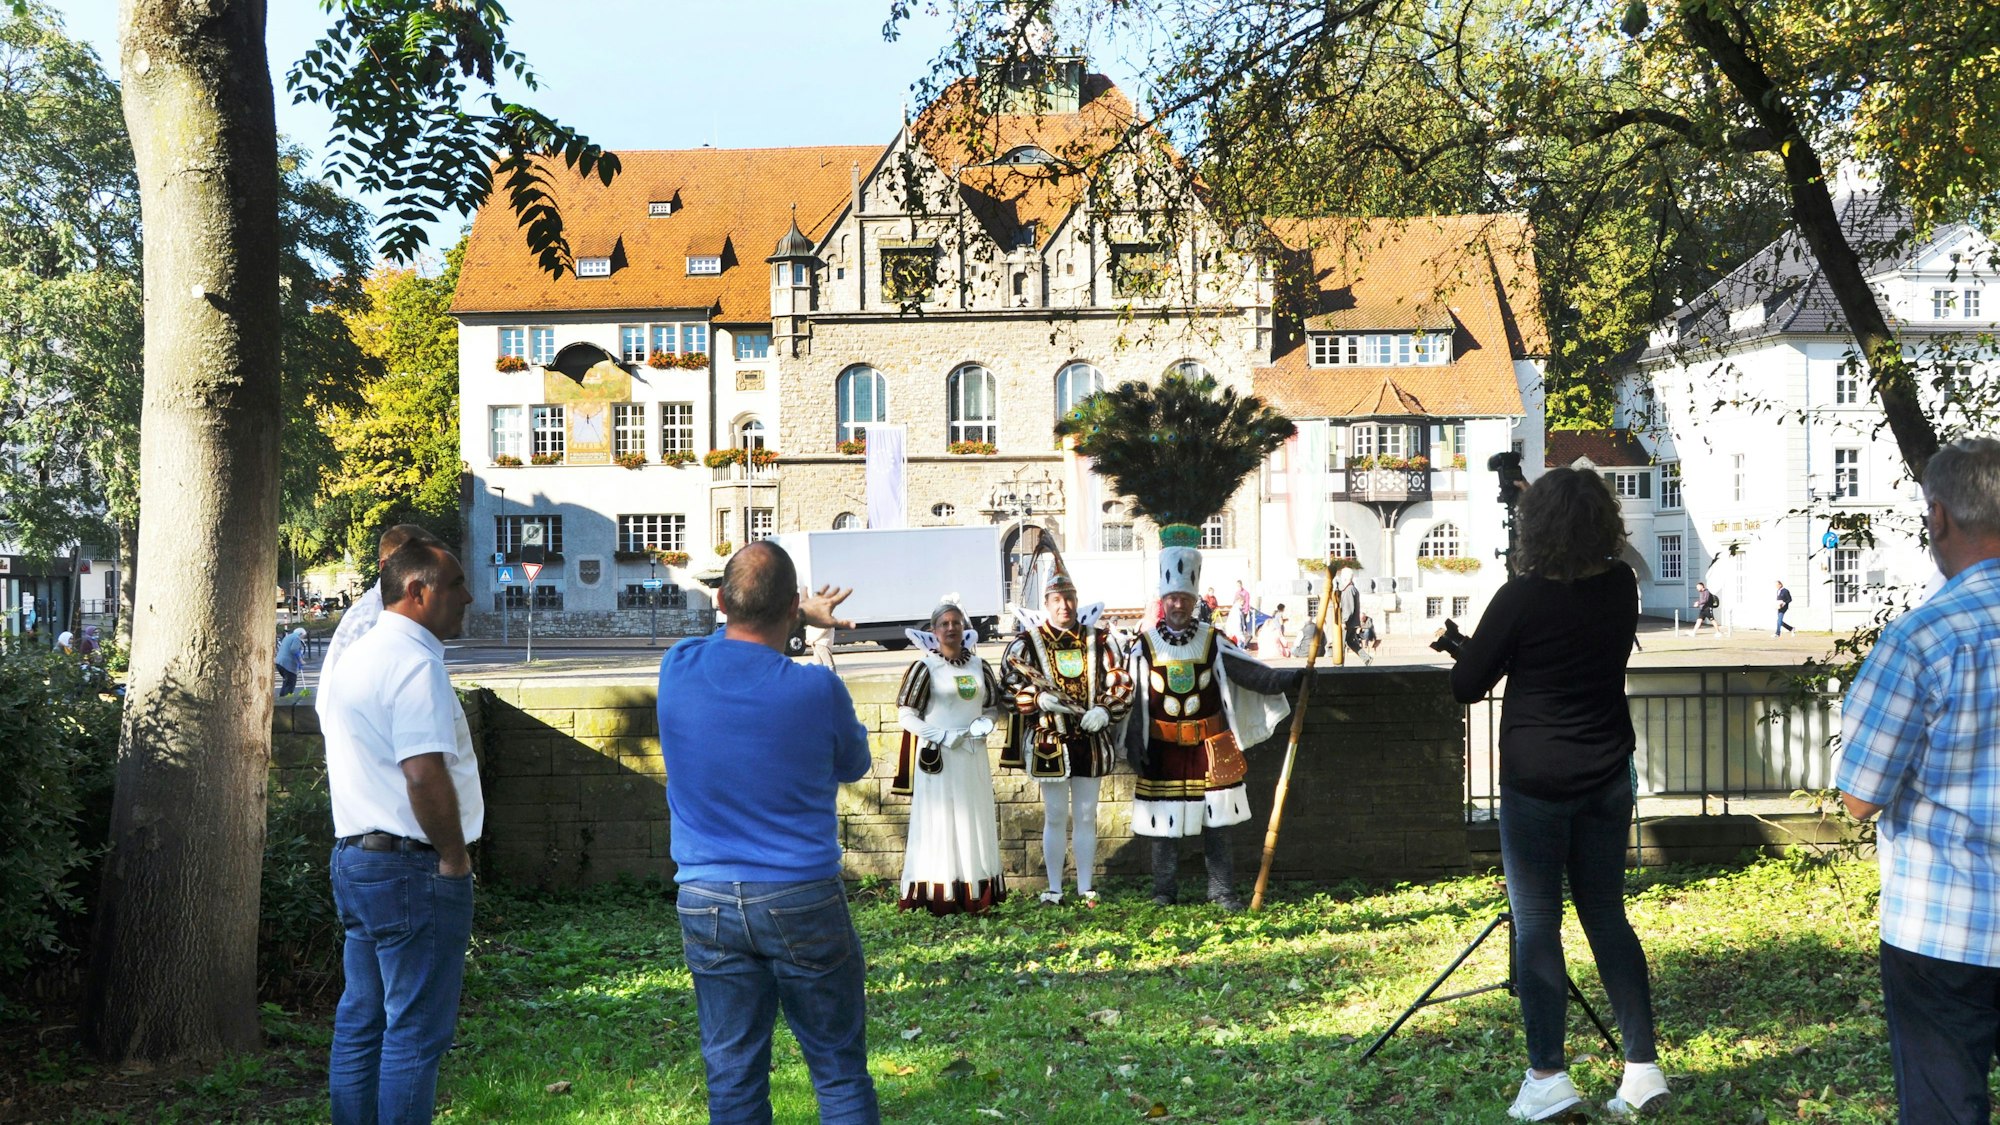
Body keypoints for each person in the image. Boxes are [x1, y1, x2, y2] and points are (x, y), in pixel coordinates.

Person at [1442, 468, 1666, 1120]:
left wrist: (1466, 649)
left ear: (1532, 528)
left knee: (1538, 924)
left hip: (1536, 782)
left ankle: (1547, 1077)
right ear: (1605, 523)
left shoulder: (1520, 597)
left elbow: (1468, 684)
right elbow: (1561, 644)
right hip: (1606, 776)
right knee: (1606, 917)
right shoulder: (1622, 586)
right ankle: (1642, 1069)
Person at [656, 541, 879, 1124]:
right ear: (789, 607)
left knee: (731, 1073)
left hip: (705, 895)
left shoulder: (678, 666)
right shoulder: (815, 688)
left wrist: (783, 613)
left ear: (723, 600)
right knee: (837, 1069)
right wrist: (805, 622)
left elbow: (733, 628)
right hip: (800, 893)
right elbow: (854, 765)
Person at [1835, 437, 2000, 1125]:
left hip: (1945, 927)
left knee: (1943, 1110)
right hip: (1946, 931)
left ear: (1938, 516)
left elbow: (1858, 796)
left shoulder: (1921, 639)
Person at [318, 536, 480, 1125]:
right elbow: (423, 773)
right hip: (412, 867)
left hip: (355, 859)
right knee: (416, 1033)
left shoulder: (354, 657)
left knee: (362, 1021)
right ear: (418, 592)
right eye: (456, 584)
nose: (468, 596)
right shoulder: (413, 662)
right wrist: (454, 857)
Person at [1124, 525, 1298, 910]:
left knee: (1217, 826)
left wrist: (1291, 678)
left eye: (1184, 598)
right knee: (1162, 828)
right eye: (1172, 599)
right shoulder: (1143, 646)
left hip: (1208, 749)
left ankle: (1221, 892)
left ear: (1194, 599)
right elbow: (1133, 698)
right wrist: (1135, 742)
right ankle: (1163, 893)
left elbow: (1250, 673)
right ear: (1162, 601)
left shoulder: (1213, 639)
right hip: (1164, 751)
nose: (1178, 605)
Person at [1001, 548, 1133, 906]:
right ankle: (1054, 887)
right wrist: (1036, 700)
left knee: (1088, 813)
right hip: (1050, 740)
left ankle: (1086, 885)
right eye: (1057, 599)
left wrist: (1105, 710)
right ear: (1046, 602)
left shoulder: (1101, 640)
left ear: (1077, 600)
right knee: (1056, 814)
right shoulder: (1027, 643)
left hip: (1091, 740)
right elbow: (1008, 686)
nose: (1065, 606)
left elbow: (1121, 681)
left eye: (1070, 598)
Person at [891, 602, 1009, 914]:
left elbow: (991, 706)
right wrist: (940, 735)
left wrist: (987, 724)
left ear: (965, 628)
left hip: (972, 753)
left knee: (973, 816)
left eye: (956, 622)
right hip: (939, 757)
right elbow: (906, 715)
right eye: (944, 623)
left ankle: (974, 891)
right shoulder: (924, 668)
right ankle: (937, 894)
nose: (951, 628)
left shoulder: (979, 666)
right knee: (939, 820)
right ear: (934, 630)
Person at [320, 524, 446, 699]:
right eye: (416, 565)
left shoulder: (395, 612)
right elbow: (355, 702)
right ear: (385, 566)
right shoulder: (369, 619)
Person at [1335, 567, 1370, 664]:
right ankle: (1366, 658)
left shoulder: (1348, 590)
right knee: (1350, 641)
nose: (1341, 579)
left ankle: (1339, 664)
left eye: (1342, 576)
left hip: (1348, 623)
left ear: (1345, 578)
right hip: (1353, 622)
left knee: (1340, 644)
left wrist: (1343, 621)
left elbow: (1348, 608)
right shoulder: (1353, 589)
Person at [275, 626, 307, 696]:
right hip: (288, 664)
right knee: (290, 683)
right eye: (303, 636)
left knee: (286, 682)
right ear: (300, 634)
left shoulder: (287, 637)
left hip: (279, 663)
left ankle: (282, 699)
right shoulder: (296, 638)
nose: (303, 638)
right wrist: (300, 660)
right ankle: (287, 700)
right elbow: (294, 650)